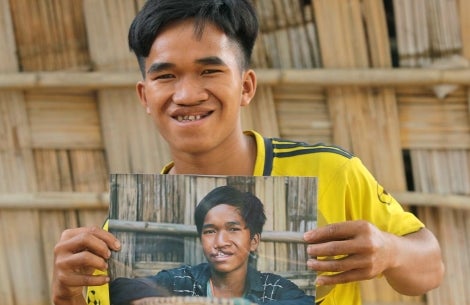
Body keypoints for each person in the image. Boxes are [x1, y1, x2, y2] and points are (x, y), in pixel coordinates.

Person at [51, 0, 445, 305]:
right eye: (165, 75)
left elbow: (429, 270)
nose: (186, 94)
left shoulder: (330, 171)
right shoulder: (120, 237)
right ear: (145, 95)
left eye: (210, 71)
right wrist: (64, 295)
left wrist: (390, 250)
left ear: (246, 87)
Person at [109, 185, 314, 305]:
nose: (220, 242)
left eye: (233, 229)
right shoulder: (182, 281)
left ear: (253, 241)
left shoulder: (275, 288)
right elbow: (120, 289)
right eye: (210, 231)